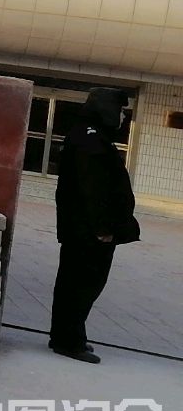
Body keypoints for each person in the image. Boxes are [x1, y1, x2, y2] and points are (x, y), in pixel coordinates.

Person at [49, 87, 140, 363]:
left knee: (76, 284)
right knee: (81, 285)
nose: (122, 118)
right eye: (120, 111)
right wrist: (102, 228)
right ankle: (68, 341)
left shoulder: (89, 135)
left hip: (83, 230)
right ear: (105, 109)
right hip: (89, 232)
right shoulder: (90, 140)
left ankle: (68, 335)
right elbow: (93, 189)